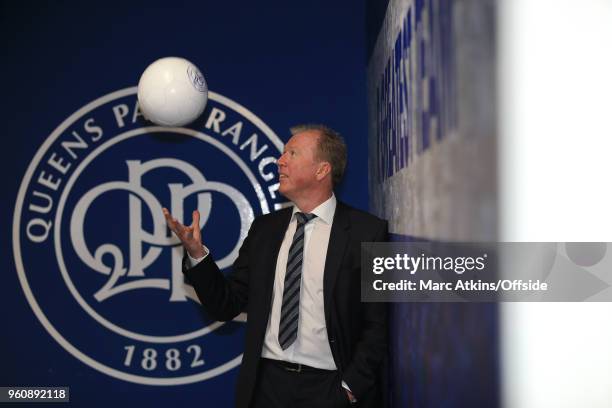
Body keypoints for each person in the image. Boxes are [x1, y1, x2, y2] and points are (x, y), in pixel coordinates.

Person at [164, 124, 388, 408]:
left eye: (292, 153)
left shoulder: (367, 232)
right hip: (266, 387)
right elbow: (227, 304)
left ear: (322, 170)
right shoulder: (264, 230)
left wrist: (349, 389)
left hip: (330, 389)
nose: (280, 161)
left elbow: (377, 326)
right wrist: (197, 254)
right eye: (283, 153)